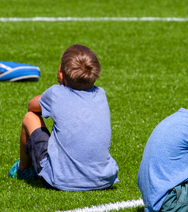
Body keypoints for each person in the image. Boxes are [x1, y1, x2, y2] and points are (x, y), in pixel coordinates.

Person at [8, 44, 119, 191]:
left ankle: (23, 169)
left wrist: (59, 87)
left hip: (60, 180)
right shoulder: (101, 94)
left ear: (61, 73)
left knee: (30, 117)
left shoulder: (55, 94)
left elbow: (31, 105)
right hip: (104, 179)